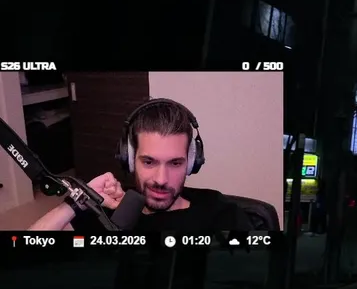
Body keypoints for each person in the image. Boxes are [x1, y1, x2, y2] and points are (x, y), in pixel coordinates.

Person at [27, 98, 254, 234]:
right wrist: (78, 201)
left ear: (191, 163)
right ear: (129, 159)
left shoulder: (219, 212)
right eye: (149, 161)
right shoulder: (107, 210)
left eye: (175, 163)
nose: (161, 179)